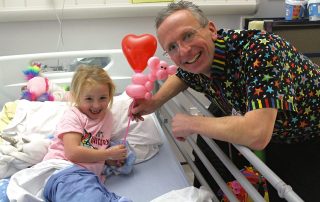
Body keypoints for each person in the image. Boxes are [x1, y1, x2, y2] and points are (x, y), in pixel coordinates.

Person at [130, 1, 320, 201]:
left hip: (310, 131)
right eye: (172, 47)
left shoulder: (262, 50)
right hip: (274, 127)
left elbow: (257, 133)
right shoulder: (200, 58)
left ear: (211, 29)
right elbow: (183, 75)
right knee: (266, 188)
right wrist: (154, 102)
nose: (184, 51)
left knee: (295, 194)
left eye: (188, 35)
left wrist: (192, 122)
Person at [6, 65, 132, 202]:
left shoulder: (107, 116)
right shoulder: (73, 115)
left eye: (102, 98)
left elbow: (95, 149)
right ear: (77, 98)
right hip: (63, 170)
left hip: (87, 179)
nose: (96, 105)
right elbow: (72, 153)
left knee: (92, 193)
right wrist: (108, 154)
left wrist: (111, 160)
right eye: (89, 99)